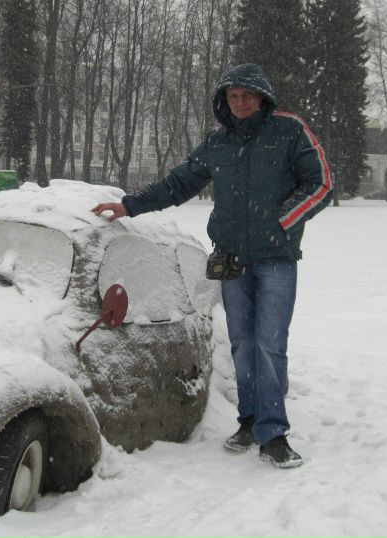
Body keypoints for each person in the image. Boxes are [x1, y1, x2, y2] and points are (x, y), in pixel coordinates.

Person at [91, 63, 331, 468]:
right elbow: (177, 184)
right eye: (233, 96)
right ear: (225, 101)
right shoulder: (218, 143)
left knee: (270, 344)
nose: (240, 103)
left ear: (263, 98)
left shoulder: (289, 131)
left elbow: (320, 183)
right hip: (231, 258)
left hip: (276, 259)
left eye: (247, 96)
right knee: (241, 344)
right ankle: (250, 420)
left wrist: (282, 221)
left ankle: (273, 434)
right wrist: (128, 204)